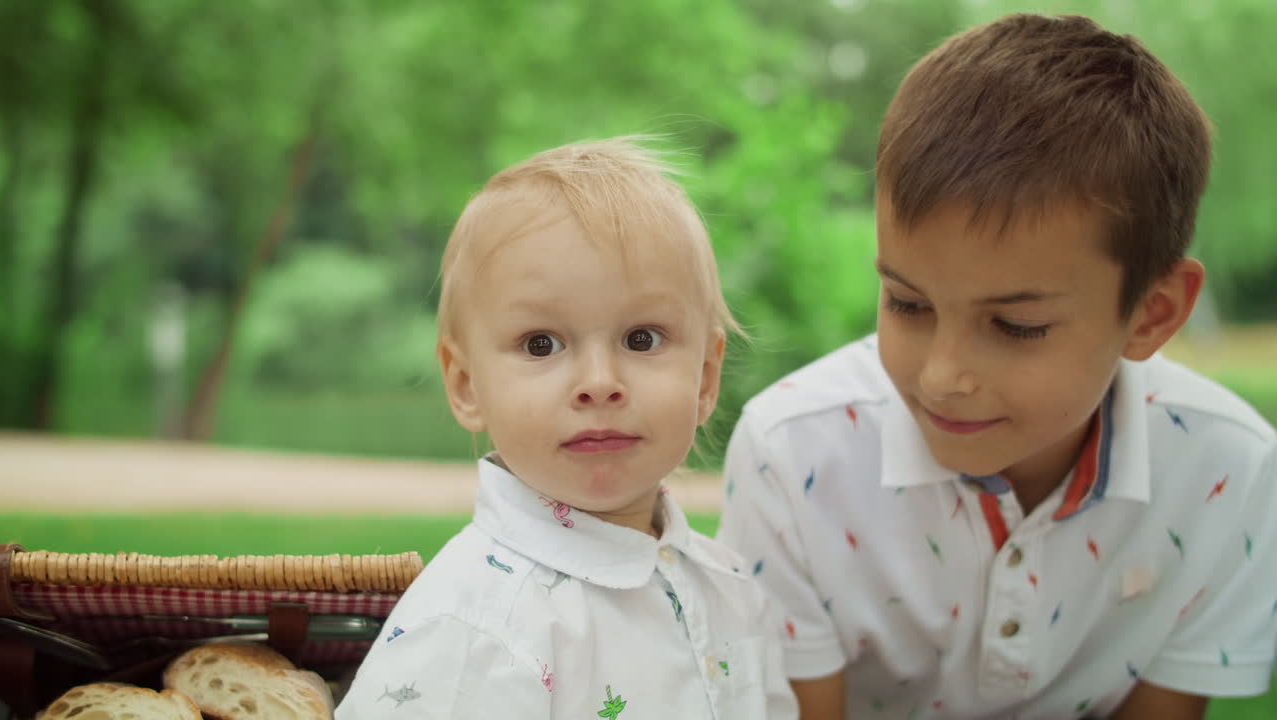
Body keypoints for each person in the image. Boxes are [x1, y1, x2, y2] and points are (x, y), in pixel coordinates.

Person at [717, 13, 1276, 720]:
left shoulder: (1231, 473)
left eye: (1017, 326)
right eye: (907, 303)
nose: (941, 376)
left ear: (1152, 314)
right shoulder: (791, 455)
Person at [336, 138, 798, 719]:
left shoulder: (732, 590)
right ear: (467, 385)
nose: (599, 382)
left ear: (705, 378)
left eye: (641, 339)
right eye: (541, 344)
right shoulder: (475, 628)